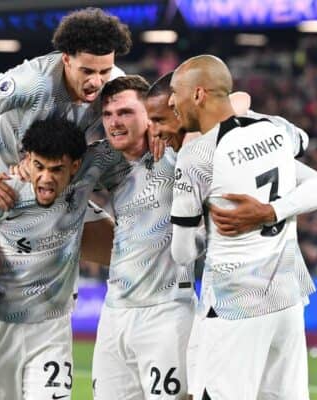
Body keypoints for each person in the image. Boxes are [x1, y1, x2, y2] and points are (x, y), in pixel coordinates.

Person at [0, 8, 132, 399]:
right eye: (87, 71)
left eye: (105, 70)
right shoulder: (31, 80)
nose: (97, 81)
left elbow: (144, 112)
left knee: (131, 249)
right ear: (65, 58)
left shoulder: (113, 86)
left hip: (55, 185)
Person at [0, 117, 127, 399]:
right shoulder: (3, 192)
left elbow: (130, 142)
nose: (46, 178)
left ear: (75, 168)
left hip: (51, 329)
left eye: (57, 170)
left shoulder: (82, 186)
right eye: (39, 166)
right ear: (27, 160)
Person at [168, 55, 317, 400]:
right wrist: (272, 211)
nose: (172, 101)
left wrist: (204, 226)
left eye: (176, 92)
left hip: (235, 305)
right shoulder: (275, 131)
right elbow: (308, 153)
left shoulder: (197, 156)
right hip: (286, 300)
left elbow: (182, 252)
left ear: (198, 94)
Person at [91, 75, 196, 400]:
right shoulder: (104, 162)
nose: (114, 123)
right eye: (107, 115)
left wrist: (176, 131)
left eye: (124, 112)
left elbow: (238, 101)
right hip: (114, 313)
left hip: (167, 311)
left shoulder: (180, 154)